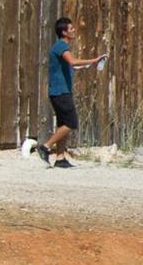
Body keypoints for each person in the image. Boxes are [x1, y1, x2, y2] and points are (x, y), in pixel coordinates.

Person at [30, 17, 104, 168]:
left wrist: (84, 66)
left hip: (60, 91)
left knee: (63, 124)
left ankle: (60, 158)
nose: (74, 30)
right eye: (71, 29)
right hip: (60, 91)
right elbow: (73, 62)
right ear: (64, 32)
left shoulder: (60, 47)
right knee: (71, 123)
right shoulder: (61, 46)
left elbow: (71, 66)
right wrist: (94, 60)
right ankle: (45, 147)